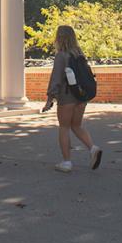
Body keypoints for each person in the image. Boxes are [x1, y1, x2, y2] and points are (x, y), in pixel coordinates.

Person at [42, 25, 102, 172]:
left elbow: (56, 79)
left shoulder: (61, 56)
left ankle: (66, 162)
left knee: (64, 127)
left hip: (67, 96)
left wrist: (50, 98)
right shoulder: (79, 54)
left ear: (59, 38)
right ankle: (93, 148)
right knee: (77, 126)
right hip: (81, 97)